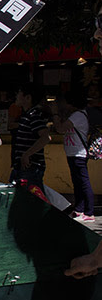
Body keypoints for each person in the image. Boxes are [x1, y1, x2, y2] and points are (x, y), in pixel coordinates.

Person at [54, 90, 94, 222]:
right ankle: (79, 209)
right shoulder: (76, 115)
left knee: (83, 182)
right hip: (73, 153)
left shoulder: (78, 115)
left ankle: (89, 212)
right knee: (78, 182)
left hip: (78, 153)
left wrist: (55, 115)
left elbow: (60, 129)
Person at [10, 83, 51, 188]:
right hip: (23, 167)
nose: (16, 96)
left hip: (31, 167)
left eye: (19, 93)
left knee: (32, 199)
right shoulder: (27, 115)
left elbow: (45, 137)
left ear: (28, 98)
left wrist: (27, 155)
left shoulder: (34, 115)